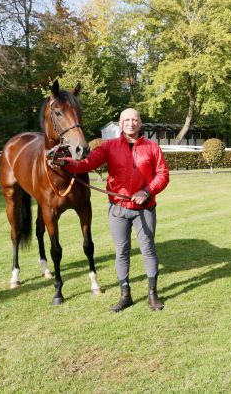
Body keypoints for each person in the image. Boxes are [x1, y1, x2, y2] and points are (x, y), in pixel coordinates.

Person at [56, 108, 170, 312]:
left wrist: (147, 191)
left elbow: (162, 175)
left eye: (135, 120)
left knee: (148, 249)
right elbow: (87, 163)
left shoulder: (152, 147)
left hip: (144, 208)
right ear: (120, 123)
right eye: (126, 120)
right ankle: (125, 295)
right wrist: (64, 163)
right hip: (118, 209)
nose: (131, 123)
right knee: (122, 251)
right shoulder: (109, 146)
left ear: (140, 123)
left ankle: (152, 295)